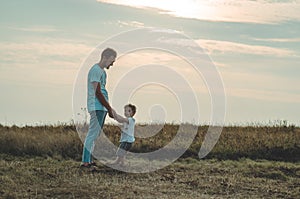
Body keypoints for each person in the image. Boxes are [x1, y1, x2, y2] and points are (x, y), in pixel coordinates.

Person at [81, 48, 117, 168]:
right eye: (111, 60)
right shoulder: (96, 70)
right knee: (92, 134)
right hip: (97, 106)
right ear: (105, 57)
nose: (112, 64)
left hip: (101, 107)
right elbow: (98, 92)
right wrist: (109, 108)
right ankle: (85, 162)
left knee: (95, 134)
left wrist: (107, 108)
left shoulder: (102, 72)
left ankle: (89, 160)